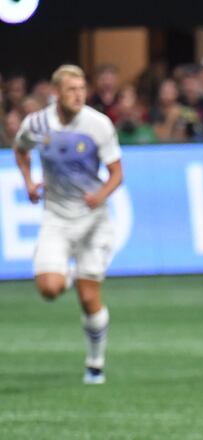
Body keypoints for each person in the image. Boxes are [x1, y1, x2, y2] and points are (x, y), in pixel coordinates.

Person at [13, 64, 123, 384]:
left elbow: (117, 173)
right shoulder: (36, 123)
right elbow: (21, 149)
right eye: (71, 89)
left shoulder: (98, 125)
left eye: (82, 89)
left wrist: (100, 194)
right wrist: (29, 182)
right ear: (55, 93)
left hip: (93, 221)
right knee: (49, 288)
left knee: (89, 299)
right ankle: (68, 275)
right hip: (56, 216)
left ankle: (95, 362)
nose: (78, 95)